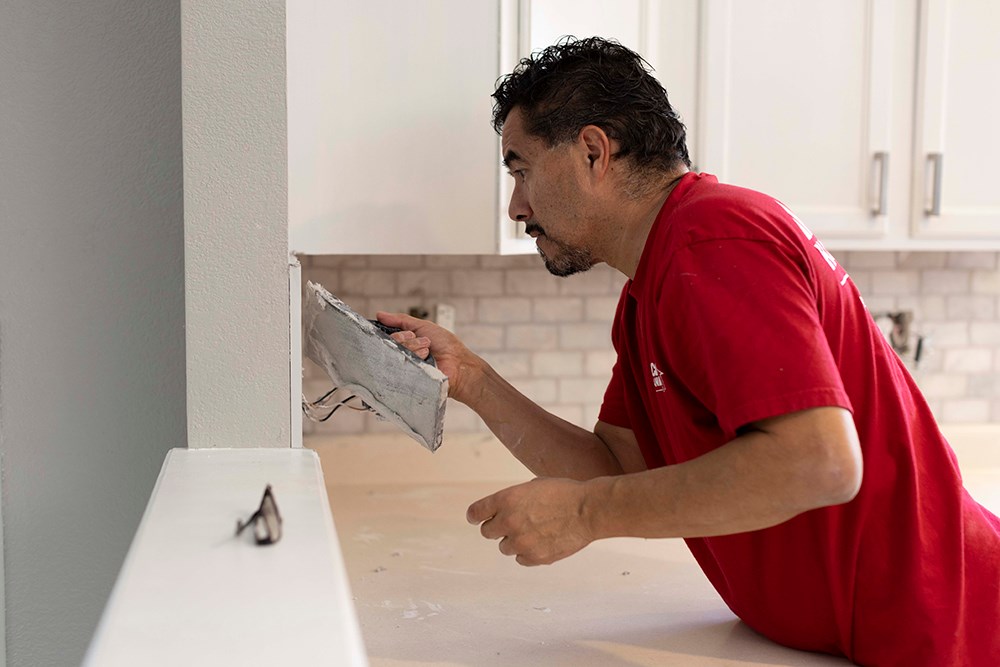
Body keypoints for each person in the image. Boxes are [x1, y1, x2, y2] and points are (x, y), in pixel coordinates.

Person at [377, 37, 1000, 666]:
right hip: (882, 633)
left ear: (593, 151)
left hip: (957, 627)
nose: (517, 208)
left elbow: (821, 463)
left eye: (521, 170)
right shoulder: (653, 288)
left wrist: (587, 514)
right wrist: (474, 380)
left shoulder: (714, 237)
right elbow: (619, 468)